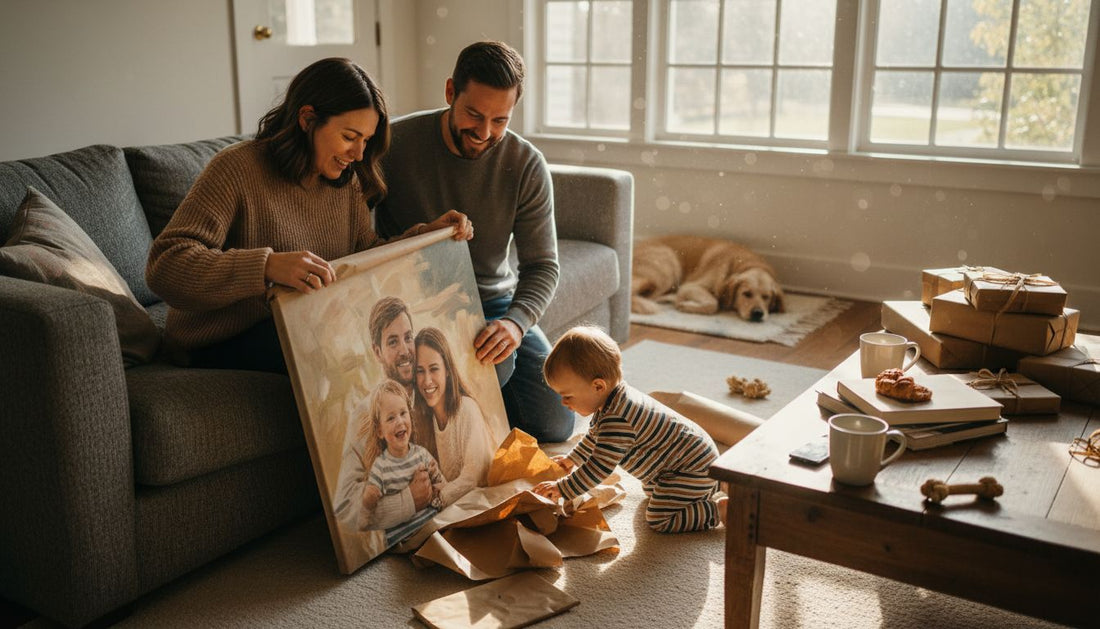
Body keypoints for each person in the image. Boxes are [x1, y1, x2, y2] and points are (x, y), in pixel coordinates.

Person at [146, 57, 472, 373]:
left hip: (300, 320)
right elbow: (165, 266)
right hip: (221, 336)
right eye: (348, 137)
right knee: (342, 351)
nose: (359, 154)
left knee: (419, 339)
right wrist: (267, 266)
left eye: (366, 140)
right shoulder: (236, 168)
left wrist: (426, 237)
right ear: (307, 119)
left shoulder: (347, 181)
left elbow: (361, 258)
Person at [375, 40, 574, 443]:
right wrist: (422, 237)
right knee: (487, 374)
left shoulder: (526, 164)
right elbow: (360, 241)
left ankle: (488, 408)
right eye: (473, 115)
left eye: (500, 120)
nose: (484, 133)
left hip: (492, 301)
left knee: (557, 422)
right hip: (412, 301)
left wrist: (515, 325)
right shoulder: (393, 146)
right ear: (450, 92)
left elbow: (542, 266)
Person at [532, 326, 728, 534]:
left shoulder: (618, 418)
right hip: (683, 462)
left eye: (568, 396)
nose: (563, 403)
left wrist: (563, 488)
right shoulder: (614, 399)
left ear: (598, 386)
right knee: (652, 491)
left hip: (690, 466)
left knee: (659, 518)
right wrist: (573, 459)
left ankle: (718, 511)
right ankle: (713, 484)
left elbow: (599, 467)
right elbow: (594, 438)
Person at [412, 327, 497, 507]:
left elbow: (472, 478)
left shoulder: (466, 409)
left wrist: (437, 496)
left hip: (485, 505)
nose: (426, 381)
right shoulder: (427, 421)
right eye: (420, 371)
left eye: (434, 369)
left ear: (448, 370)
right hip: (457, 510)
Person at [357, 379, 446, 545]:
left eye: (403, 413)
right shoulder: (380, 467)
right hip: (404, 538)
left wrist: (436, 491)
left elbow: (443, 484)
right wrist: (369, 499)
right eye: (390, 418)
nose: (399, 421)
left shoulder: (421, 455)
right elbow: (367, 511)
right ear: (380, 431)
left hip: (434, 526)